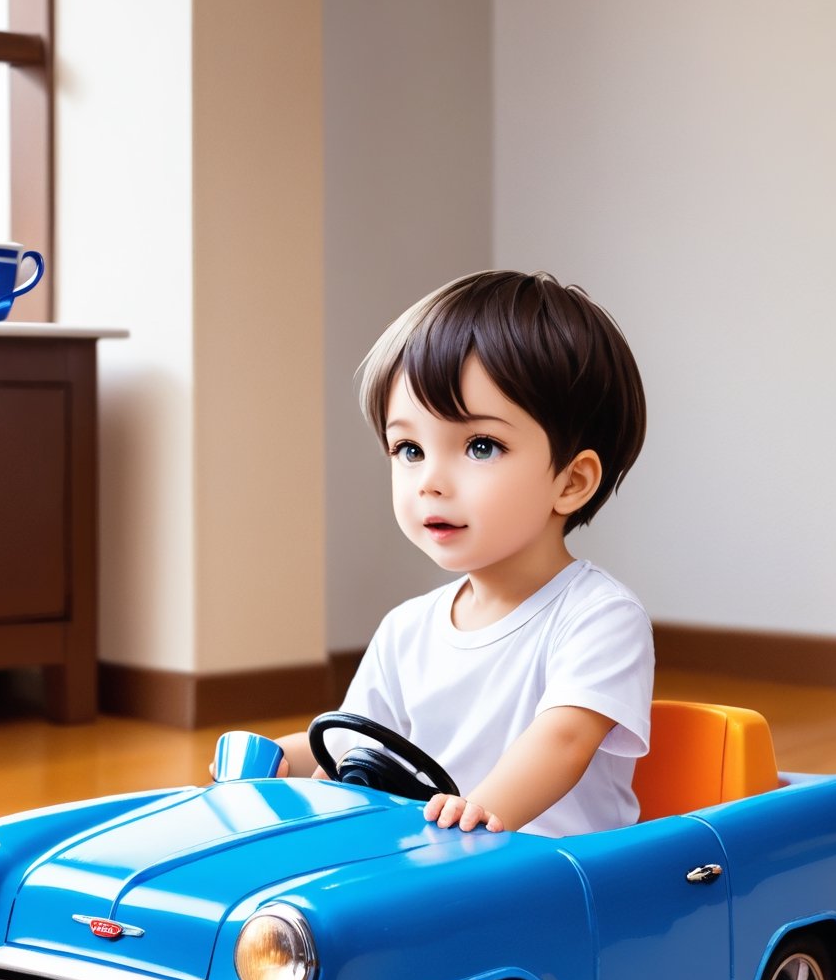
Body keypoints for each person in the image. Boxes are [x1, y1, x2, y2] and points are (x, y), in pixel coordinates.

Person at [279, 268, 654, 836]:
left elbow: (565, 738)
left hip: (562, 879)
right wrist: (282, 757)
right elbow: (354, 744)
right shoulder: (406, 630)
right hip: (440, 866)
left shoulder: (599, 617)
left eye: (480, 446)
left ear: (572, 481)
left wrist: (482, 809)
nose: (429, 480)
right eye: (408, 448)